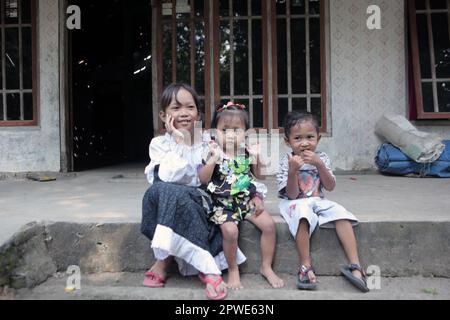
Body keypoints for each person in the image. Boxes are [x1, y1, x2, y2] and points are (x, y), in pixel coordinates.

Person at [141, 83, 245, 300]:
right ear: (163, 115)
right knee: (163, 190)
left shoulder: (209, 142)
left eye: (190, 107)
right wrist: (179, 141)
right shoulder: (159, 144)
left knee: (177, 194)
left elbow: (218, 174)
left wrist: (252, 194)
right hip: (165, 201)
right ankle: (206, 268)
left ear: (198, 113)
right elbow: (167, 177)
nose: (184, 113)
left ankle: (164, 261)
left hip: (199, 202)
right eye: (176, 108)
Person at [277, 111, 369, 292]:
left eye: (310, 137)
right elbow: (293, 195)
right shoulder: (286, 162)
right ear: (287, 141)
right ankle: (305, 266)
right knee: (302, 215)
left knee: (342, 214)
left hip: (318, 199)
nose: (304, 143)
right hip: (294, 203)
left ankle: (355, 265)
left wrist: (319, 164)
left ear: (318, 138)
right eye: (297, 138)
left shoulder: (322, 158)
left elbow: (330, 186)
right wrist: (292, 172)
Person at [198, 102, 284, 290]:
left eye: (236, 130)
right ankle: (233, 269)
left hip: (245, 201)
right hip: (222, 204)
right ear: (215, 131)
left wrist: (258, 157)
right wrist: (213, 159)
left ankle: (266, 267)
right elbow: (204, 179)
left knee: (269, 225)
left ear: (246, 132)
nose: (230, 135)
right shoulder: (212, 152)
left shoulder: (246, 152)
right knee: (230, 231)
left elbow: (259, 176)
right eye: (224, 130)